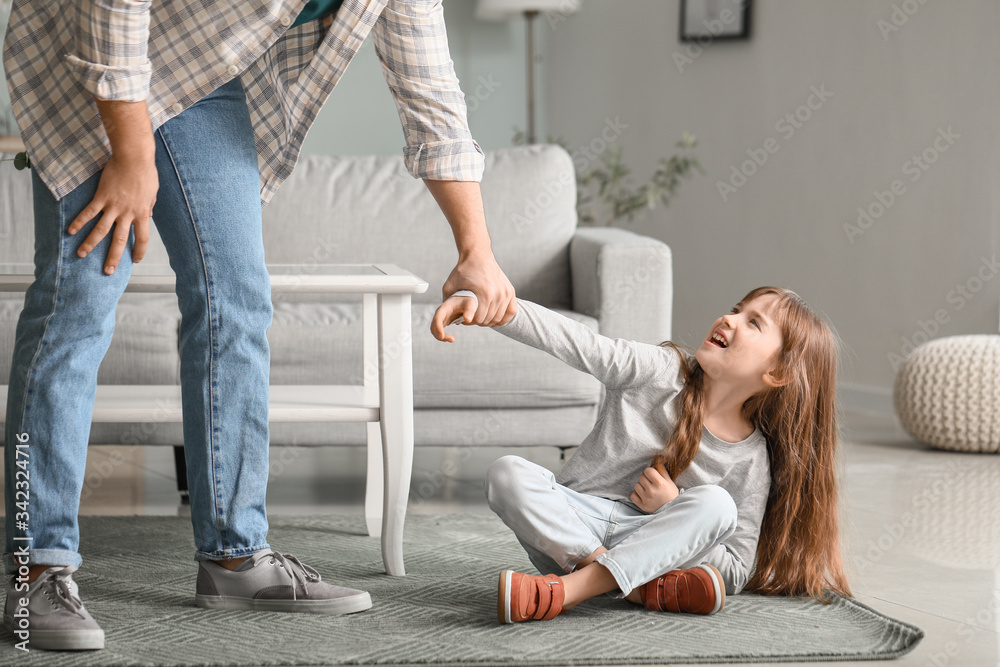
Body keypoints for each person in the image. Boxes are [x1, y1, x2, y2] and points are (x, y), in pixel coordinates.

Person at [2, 0, 516, 652]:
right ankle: (38, 566)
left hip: (197, 72)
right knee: (77, 304)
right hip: (85, 45)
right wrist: (132, 156)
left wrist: (477, 250)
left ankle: (234, 555)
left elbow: (430, 93)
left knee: (237, 300)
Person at [430, 286, 853, 623]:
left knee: (716, 505)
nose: (730, 318)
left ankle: (570, 591)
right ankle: (628, 586)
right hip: (576, 532)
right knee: (507, 474)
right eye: (736, 309)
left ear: (776, 373)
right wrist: (489, 305)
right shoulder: (659, 369)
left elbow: (737, 570)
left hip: (651, 547)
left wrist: (671, 507)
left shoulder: (751, 459)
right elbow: (577, 342)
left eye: (753, 322)